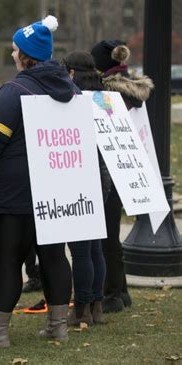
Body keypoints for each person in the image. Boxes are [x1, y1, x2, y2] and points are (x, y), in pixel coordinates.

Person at [0, 15, 75, 346]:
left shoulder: (13, 91)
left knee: (8, 260)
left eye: (14, 50)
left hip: (16, 194)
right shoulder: (69, 89)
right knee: (54, 256)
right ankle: (59, 326)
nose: (12, 55)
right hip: (57, 189)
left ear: (26, 55)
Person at [91, 40, 154, 313]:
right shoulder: (133, 91)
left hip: (110, 167)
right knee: (111, 235)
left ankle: (113, 294)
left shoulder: (107, 94)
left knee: (108, 237)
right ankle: (122, 290)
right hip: (128, 167)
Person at [62, 51, 112, 325]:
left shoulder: (71, 99)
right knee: (95, 248)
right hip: (102, 179)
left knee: (81, 250)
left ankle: (80, 309)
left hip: (78, 176)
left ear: (71, 72)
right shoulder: (102, 99)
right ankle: (96, 306)